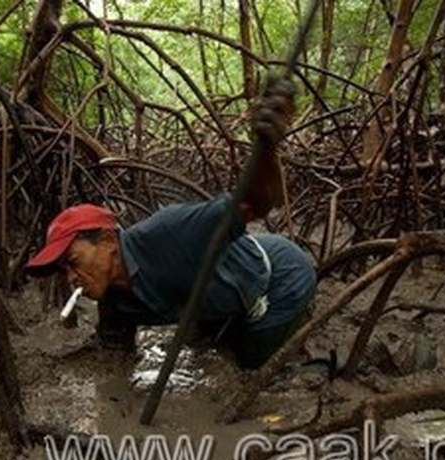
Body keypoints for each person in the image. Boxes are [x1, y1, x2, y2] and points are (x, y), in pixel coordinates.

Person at [25, 78, 316, 370]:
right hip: (223, 294)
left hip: (278, 278)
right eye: (64, 270)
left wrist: (266, 146)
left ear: (107, 240)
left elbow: (258, 202)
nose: (71, 278)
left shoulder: (169, 232)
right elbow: (113, 365)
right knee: (206, 346)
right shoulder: (112, 303)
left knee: (250, 370)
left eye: (74, 262)